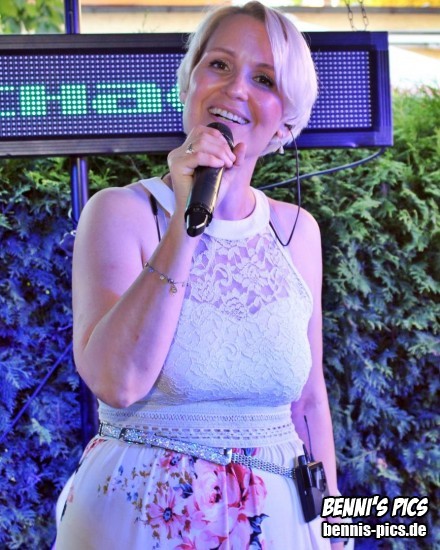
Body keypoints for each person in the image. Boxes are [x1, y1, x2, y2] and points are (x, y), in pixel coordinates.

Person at [55, 2, 343, 548]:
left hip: (279, 522)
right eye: (219, 65)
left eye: (264, 79)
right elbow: (118, 382)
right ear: (190, 83)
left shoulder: (299, 231)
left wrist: (336, 529)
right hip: (140, 519)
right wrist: (187, 222)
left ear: (285, 121)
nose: (235, 89)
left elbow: (309, 402)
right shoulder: (119, 211)